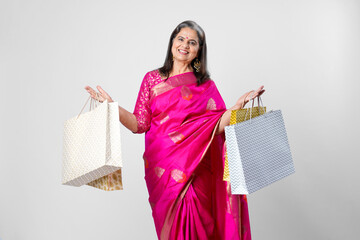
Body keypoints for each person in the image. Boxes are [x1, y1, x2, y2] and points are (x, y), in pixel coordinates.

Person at [85, 20, 265, 240]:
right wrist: (111, 107)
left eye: (192, 42)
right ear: (172, 42)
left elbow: (216, 126)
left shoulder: (205, 85)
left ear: (199, 50)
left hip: (195, 168)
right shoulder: (152, 79)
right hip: (161, 169)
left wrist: (237, 107)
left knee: (198, 222)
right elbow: (139, 124)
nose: (185, 45)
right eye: (180, 39)